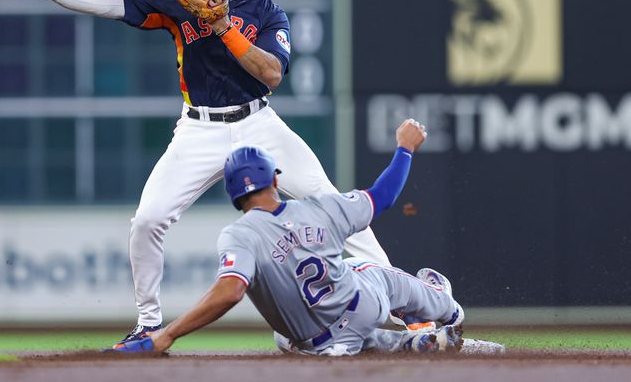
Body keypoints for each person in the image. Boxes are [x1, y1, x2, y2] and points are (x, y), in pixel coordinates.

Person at [0, 0, 393, 342]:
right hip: (198, 128)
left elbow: (272, 74)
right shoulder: (178, 2)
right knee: (148, 220)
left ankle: (408, 306)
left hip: (259, 124)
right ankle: (148, 322)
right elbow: (108, 1)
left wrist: (223, 25)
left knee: (332, 202)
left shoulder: (265, 11)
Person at [111, 118, 469, 356]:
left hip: (315, 343)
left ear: (234, 196)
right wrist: (404, 149)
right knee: (367, 269)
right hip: (362, 305)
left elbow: (231, 289)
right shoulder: (319, 207)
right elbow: (385, 195)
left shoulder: (239, 236)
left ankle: (407, 344)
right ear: (276, 180)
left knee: (286, 337)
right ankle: (446, 305)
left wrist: (167, 333)